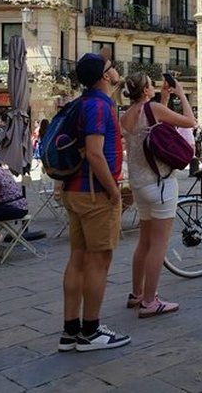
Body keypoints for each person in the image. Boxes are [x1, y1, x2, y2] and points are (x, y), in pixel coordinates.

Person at [58, 49, 130, 353]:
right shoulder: (100, 107)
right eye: (111, 67)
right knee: (99, 262)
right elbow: (94, 151)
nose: (115, 71)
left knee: (77, 259)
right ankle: (91, 330)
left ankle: (70, 332)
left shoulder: (82, 103)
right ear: (104, 76)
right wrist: (113, 191)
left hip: (74, 189)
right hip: (94, 192)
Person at [120, 71, 196, 318]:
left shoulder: (126, 116)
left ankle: (137, 293)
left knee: (144, 241)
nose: (153, 87)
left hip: (139, 184)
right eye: (151, 85)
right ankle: (151, 301)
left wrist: (163, 100)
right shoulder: (151, 108)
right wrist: (181, 94)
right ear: (145, 91)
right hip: (160, 184)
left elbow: (152, 129)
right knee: (159, 245)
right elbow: (190, 121)